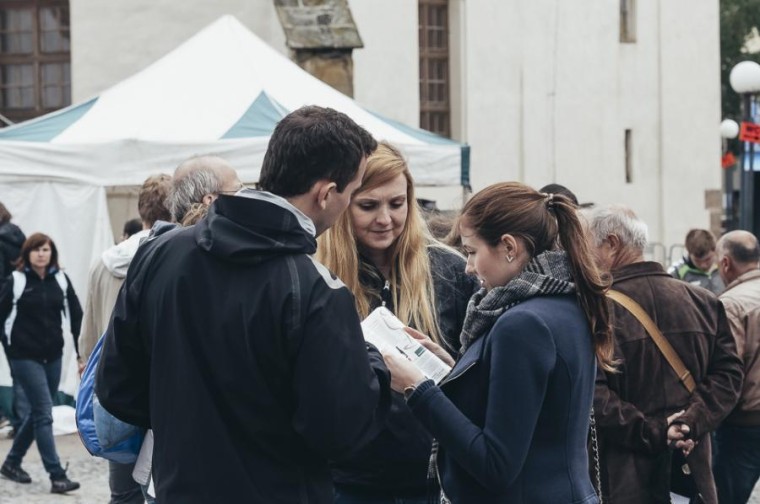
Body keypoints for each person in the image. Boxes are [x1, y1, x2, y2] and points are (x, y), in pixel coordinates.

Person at [95, 105, 391, 504]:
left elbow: (117, 391)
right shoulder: (314, 289)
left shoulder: (160, 253)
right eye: (353, 193)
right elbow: (341, 433)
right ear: (326, 194)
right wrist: (372, 358)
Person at [383, 182, 615, 503]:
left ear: (509, 247)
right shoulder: (566, 302)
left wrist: (418, 388)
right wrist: (453, 369)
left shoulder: (520, 323)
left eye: (472, 252)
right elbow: (533, 409)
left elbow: (495, 464)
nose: (467, 267)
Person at [317, 142, 477, 503]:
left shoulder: (449, 270)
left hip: (434, 478)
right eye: (369, 205)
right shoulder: (320, 277)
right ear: (344, 205)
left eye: (397, 203)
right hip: (347, 482)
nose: (385, 218)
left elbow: (475, 377)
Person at [587, 206, 743, 504]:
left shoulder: (596, 312)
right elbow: (729, 375)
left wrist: (656, 430)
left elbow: (592, 395)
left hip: (622, 480)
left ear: (611, 244)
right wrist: (690, 422)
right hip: (690, 471)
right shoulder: (703, 301)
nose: (583, 257)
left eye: (586, 246)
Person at [79, 174, 172, 504]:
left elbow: (88, 336)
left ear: (141, 208)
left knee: (122, 491)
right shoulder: (175, 256)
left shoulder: (103, 263)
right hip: (160, 388)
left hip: (115, 389)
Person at [0, 233, 82, 493]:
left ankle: (11, 463)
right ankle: (56, 475)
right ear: (27, 253)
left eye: (45, 249)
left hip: (53, 357)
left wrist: (81, 354)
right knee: (45, 412)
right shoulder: (17, 280)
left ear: (52, 253)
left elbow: (76, 317)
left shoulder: (60, 279)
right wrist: (11, 350)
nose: (41, 254)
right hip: (24, 358)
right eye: (36, 249)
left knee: (38, 412)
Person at [711, 230, 760, 504]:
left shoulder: (731, 304)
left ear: (726, 263)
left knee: (724, 497)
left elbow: (728, 371)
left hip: (744, 424)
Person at [0, 202, 26, 432]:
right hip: (19, 311)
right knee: (19, 366)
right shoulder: (19, 236)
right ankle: (22, 419)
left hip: (3, 310)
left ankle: (16, 419)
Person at [166, 155, 242, 223]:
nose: (244, 194)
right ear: (210, 200)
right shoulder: (227, 236)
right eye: (238, 190)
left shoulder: (169, 236)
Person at [668, 228, 725, 295]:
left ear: (714, 250)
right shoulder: (676, 272)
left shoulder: (725, 266)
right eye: (697, 261)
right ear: (689, 253)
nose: (703, 265)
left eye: (707, 259)